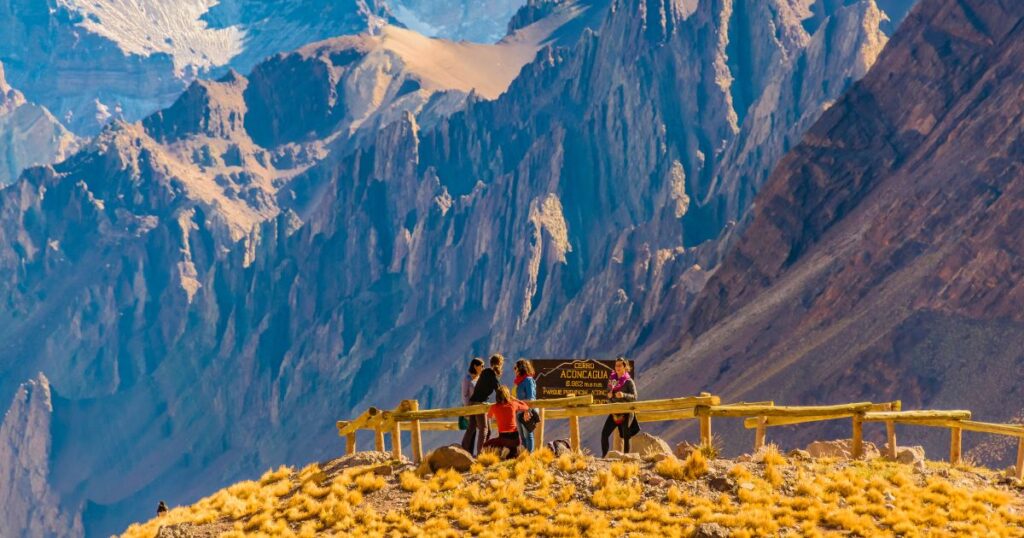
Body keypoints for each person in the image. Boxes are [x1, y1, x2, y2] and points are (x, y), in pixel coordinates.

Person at [462, 354, 504, 455]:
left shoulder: (486, 372)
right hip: (479, 403)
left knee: (473, 427)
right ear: (500, 364)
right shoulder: (491, 374)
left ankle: (463, 449)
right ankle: (481, 454)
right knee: (484, 429)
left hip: (474, 402)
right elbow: (499, 390)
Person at [601, 357, 639, 457]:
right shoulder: (612, 381)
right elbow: (608, 397)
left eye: (619, 365)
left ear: (624, 367)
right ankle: (604, 456)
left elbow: (635, 397)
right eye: (616, 365)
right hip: (615, 412)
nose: (617, 367)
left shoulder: (629, 381)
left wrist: (624, 395)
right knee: (604, 434)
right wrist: (609, 396)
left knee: (627, 435)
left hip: (626, 412)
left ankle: (626, 457)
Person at [482, 385, 529, 459]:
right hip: (516, 439)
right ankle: (510, 451)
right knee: (513, 454)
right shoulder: (513, 404)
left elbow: (489, 416)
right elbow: (526, 406)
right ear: (508, 395)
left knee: (486, 445)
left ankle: (504, 450)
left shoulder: (494, 407)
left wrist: (497, 418)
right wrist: (515, 399)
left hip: (503, 438)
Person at [513, 359, 537, 452]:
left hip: (526, 410)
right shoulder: (519, 382)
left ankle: (529, 457)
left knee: (528, 434)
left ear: (521, 368)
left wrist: (527, 411)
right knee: (522, 435)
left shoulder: (528, 380)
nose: (514, 370)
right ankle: (524, 455)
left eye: (516, 368)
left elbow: (531, 397)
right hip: (518, 411)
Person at [460, 358, 485, 430]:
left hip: (479, 407)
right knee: (472, 429)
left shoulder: (479, 378)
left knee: (480, 428)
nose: (483, 368)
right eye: (482, 366)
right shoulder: (467, 379)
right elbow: (465, 395)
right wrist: (467, 410)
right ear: (475, 366)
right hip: (471, 408)